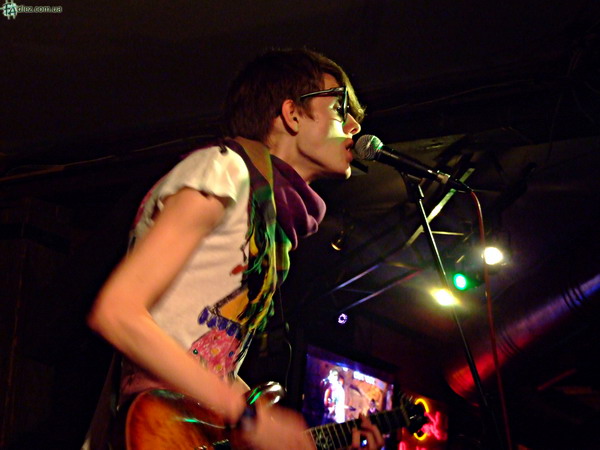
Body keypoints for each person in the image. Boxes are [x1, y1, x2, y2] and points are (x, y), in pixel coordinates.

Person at [84, 48, 384, 450]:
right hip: (150, 423)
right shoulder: (224, 170)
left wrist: (287, 436)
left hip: (188, 427)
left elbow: (210, 360)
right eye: (340, 108)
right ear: (292, 115)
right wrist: (243, 413)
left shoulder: (274, 228)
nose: (354, 126)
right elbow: (117, 312)